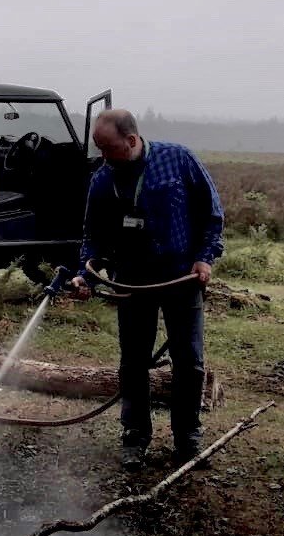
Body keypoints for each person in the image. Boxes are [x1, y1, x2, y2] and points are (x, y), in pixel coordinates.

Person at [71, 109, 223, 470]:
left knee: (189, 361)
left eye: (108, 148)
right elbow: (93, 237)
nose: (103, 157)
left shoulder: (179, 159)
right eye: (99, 149)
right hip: (132, 281)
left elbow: (211, 213)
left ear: (132, 140)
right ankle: (135, 436)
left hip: (180, 277)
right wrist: (87, 274)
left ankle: (187, 437)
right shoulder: (103, 180)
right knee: (133, 362)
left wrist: (205, 258)